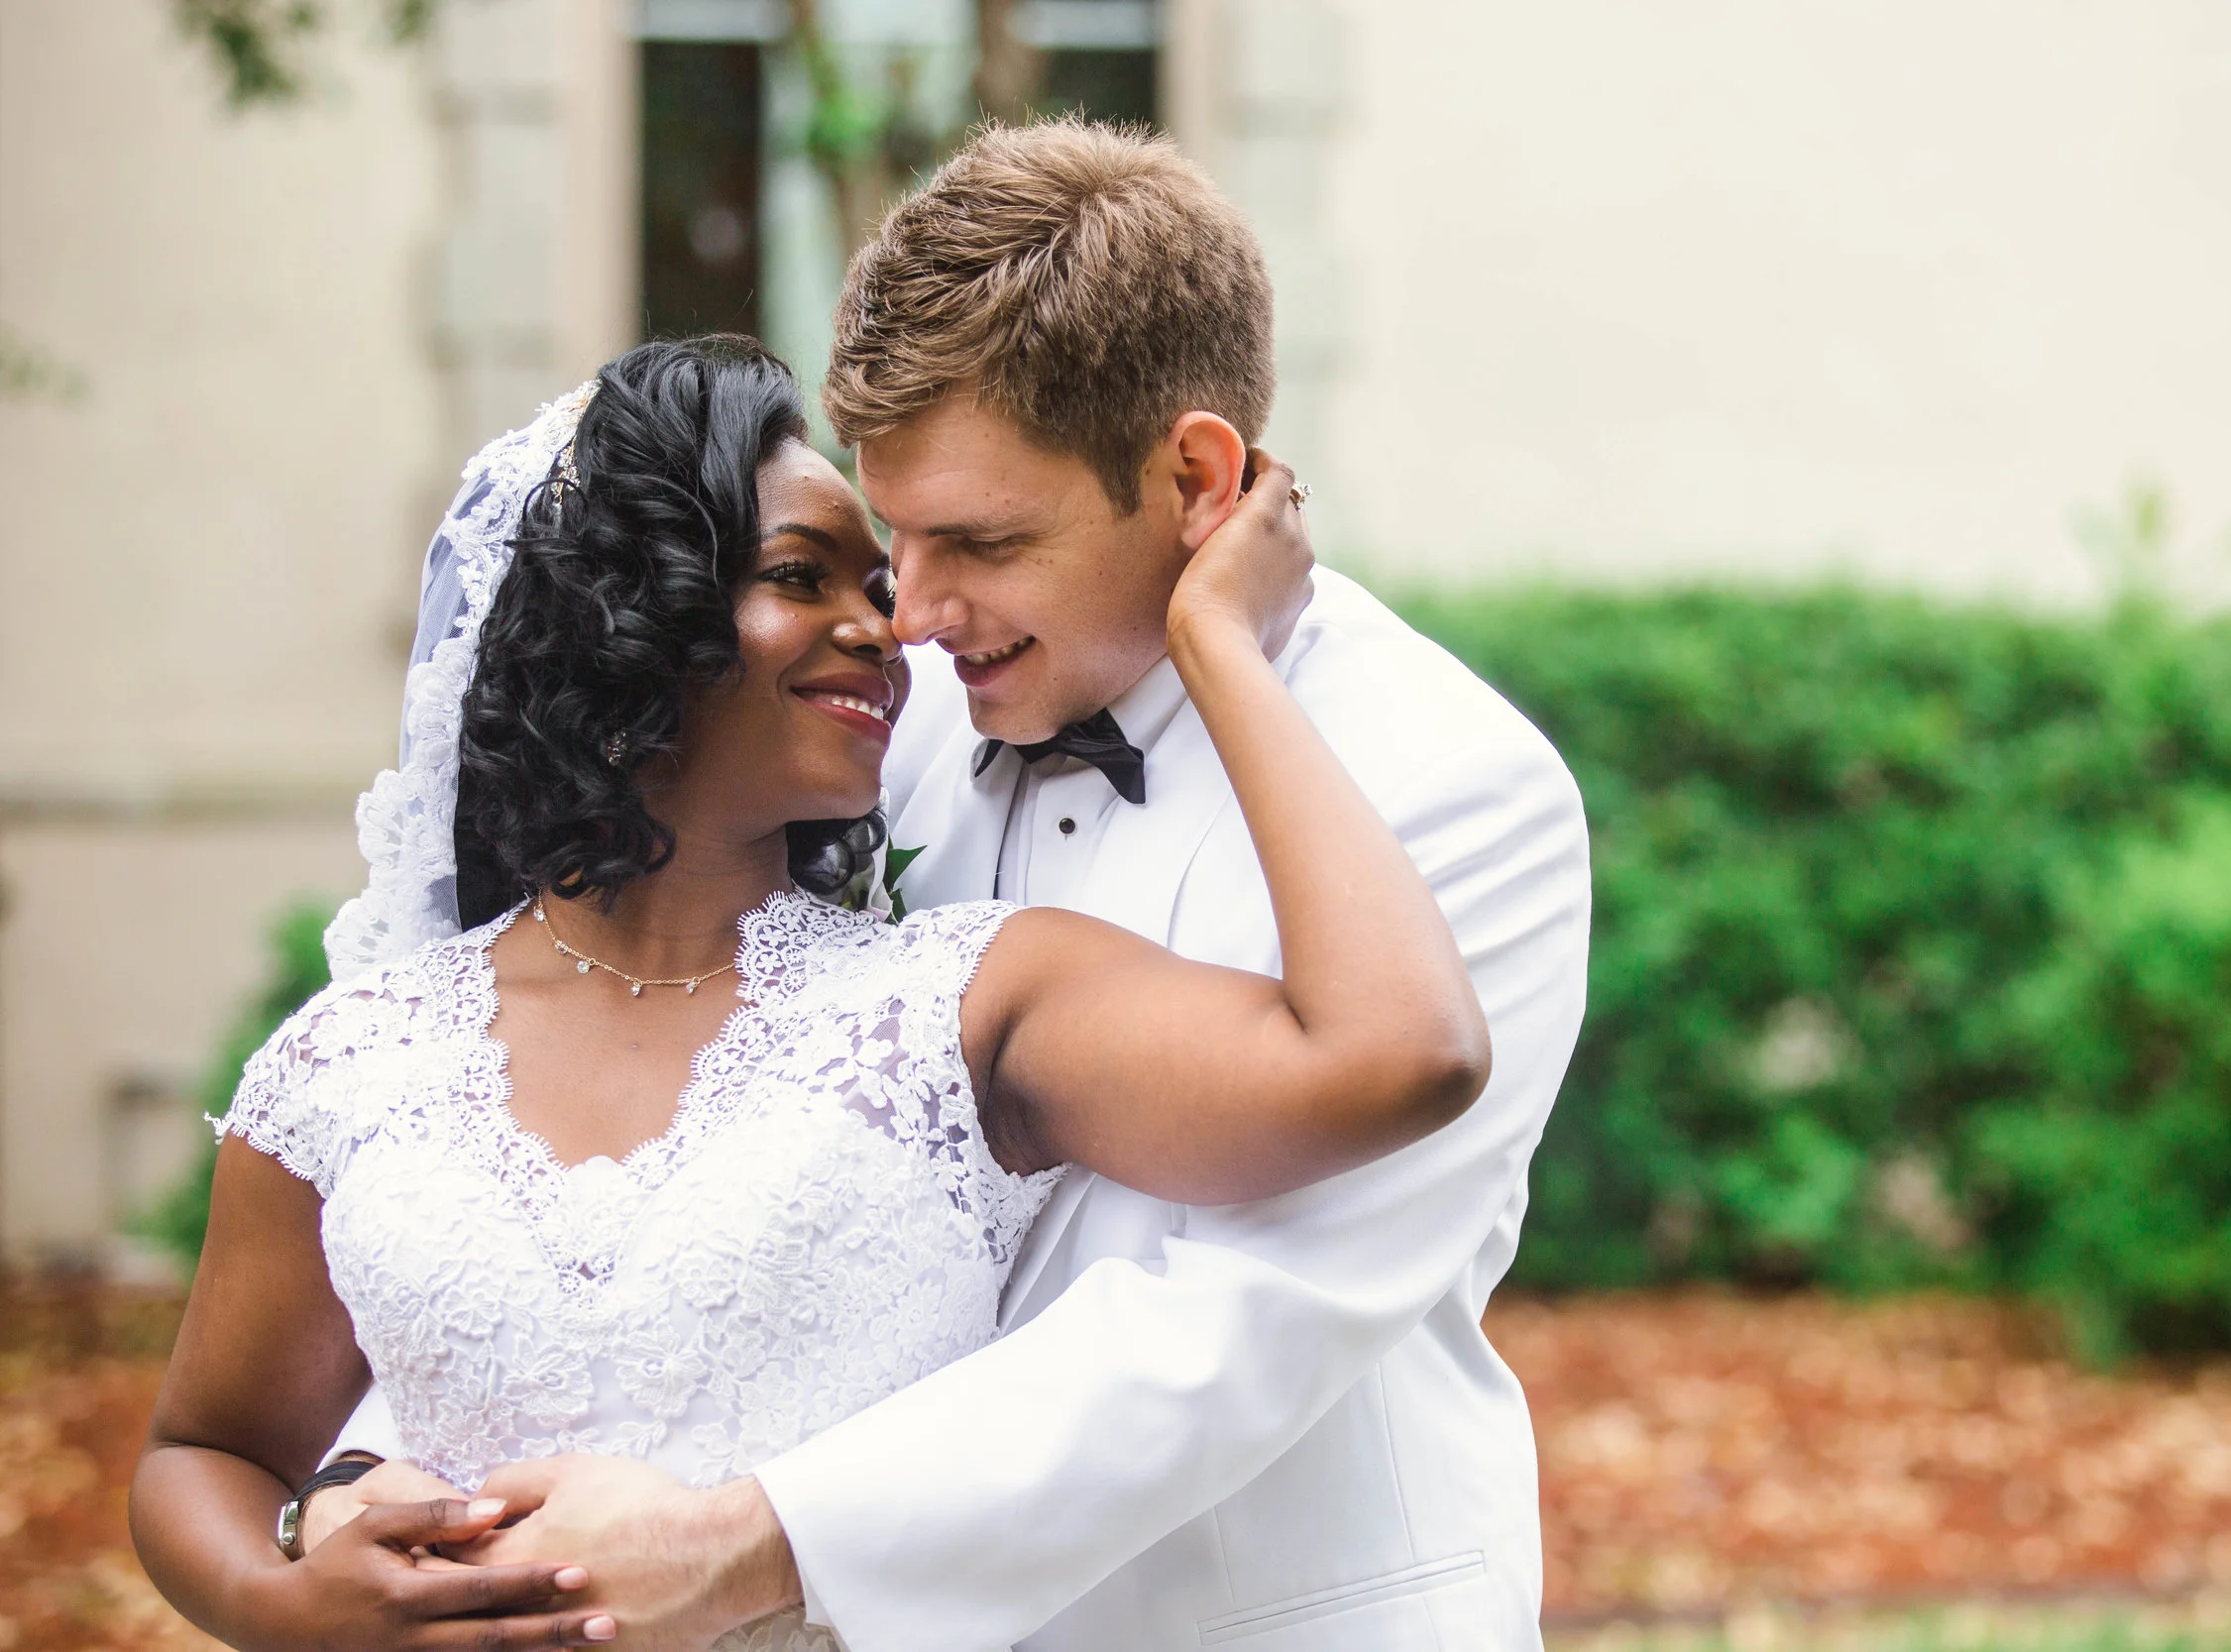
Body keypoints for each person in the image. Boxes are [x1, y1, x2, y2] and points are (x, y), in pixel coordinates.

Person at [180, 119, 1592, 1652]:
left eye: (978, 540)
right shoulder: (865, 726)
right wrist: (361, 1487)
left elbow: (1245, 1318)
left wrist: (741, 1544)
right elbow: (602, 1156)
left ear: (1196, 477)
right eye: (886, 540)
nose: (907, 613)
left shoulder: (1454, 786)